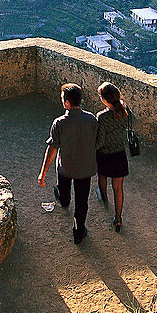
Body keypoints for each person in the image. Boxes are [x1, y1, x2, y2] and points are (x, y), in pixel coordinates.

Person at [38, 83, 98, 243]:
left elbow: (52, 149)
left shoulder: (59, 123)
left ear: (67, 103)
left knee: (63, 189)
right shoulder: (91, 119)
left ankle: (63, 200)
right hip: (85, 168)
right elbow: (97, 142)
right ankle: (78, 231)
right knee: (82, 200)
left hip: (65, 167)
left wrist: (43, 173)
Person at [95, 81, 131, 232]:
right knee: (118, 188)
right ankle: (118, 219)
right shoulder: (125, 111)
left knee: (102, 177)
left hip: (104, 154)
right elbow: (133, 121)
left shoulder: (102, 117)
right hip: (119, 154)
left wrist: (92, 150)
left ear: (104, 99)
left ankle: (103, 197)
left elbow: (100, 140)